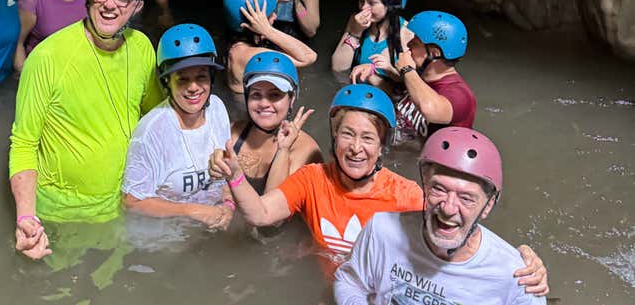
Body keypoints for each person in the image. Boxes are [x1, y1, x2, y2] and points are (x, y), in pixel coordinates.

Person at [211, 86, 549, 292]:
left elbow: (458, 231)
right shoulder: (312, 179)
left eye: (368, 137)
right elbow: (261, 214)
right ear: (334, 138)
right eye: (347, 134)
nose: (356, 147)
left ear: (382, 147)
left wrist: (521, 262)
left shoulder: (405, 195)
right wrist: (236, 175)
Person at [8, 0, 163, 261]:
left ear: (137, 7)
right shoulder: (48, 56)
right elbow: (24, 142)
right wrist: (26, 218)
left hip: (121, 203)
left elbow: (156, 120)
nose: (109, 3)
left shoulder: (143, 48)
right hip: (61, 215)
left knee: (111, 284)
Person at [334, 126, 550, 303]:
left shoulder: (517, 277)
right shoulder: (381, 229)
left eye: (466, 198)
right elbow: (351, 282)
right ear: (425, 185)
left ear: (488, 206)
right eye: (439, 189)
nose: (448, 208)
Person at [122, 24, 233, 230]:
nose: (193, 87)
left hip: (209, 223)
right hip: (163, 237)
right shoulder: (152, 131)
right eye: (182, 79)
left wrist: (228, 204)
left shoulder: (217, 108)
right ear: (167, 82)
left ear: (211, 78)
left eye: (201, 76)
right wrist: (193, 212)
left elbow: (226, 173)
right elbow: (132, 201)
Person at [359, 10, 476, 144]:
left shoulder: (461, 95)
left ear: (434, 53)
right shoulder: (421, 78)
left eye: (415, 43)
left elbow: (429, 109)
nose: (408, 45)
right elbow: (400, 96)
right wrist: (370, 75)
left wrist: (407, 69)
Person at [231, 51, 322, 195]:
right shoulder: (232, 133)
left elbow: (274, 212)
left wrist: (283, 150)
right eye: (256, 94)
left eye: (274, 95)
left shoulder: (306, 151)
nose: (264, 103)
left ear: (291, 99)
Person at [222, 0, 317, 93]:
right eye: (269, 15)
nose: (275, 16)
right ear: (253, 24)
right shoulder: (249, 55)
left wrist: (267, 0)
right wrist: (268, 30)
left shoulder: (235, 45)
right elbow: (309, 57)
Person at [334, 0, 411, 87]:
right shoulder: (355, 20)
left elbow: (410, 84)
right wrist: (356, 32)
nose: (363, 8)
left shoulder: (407, 33)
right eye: (361, 1)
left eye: (372, 2)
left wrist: (386, 71)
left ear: (391, 4)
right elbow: (338, 69)